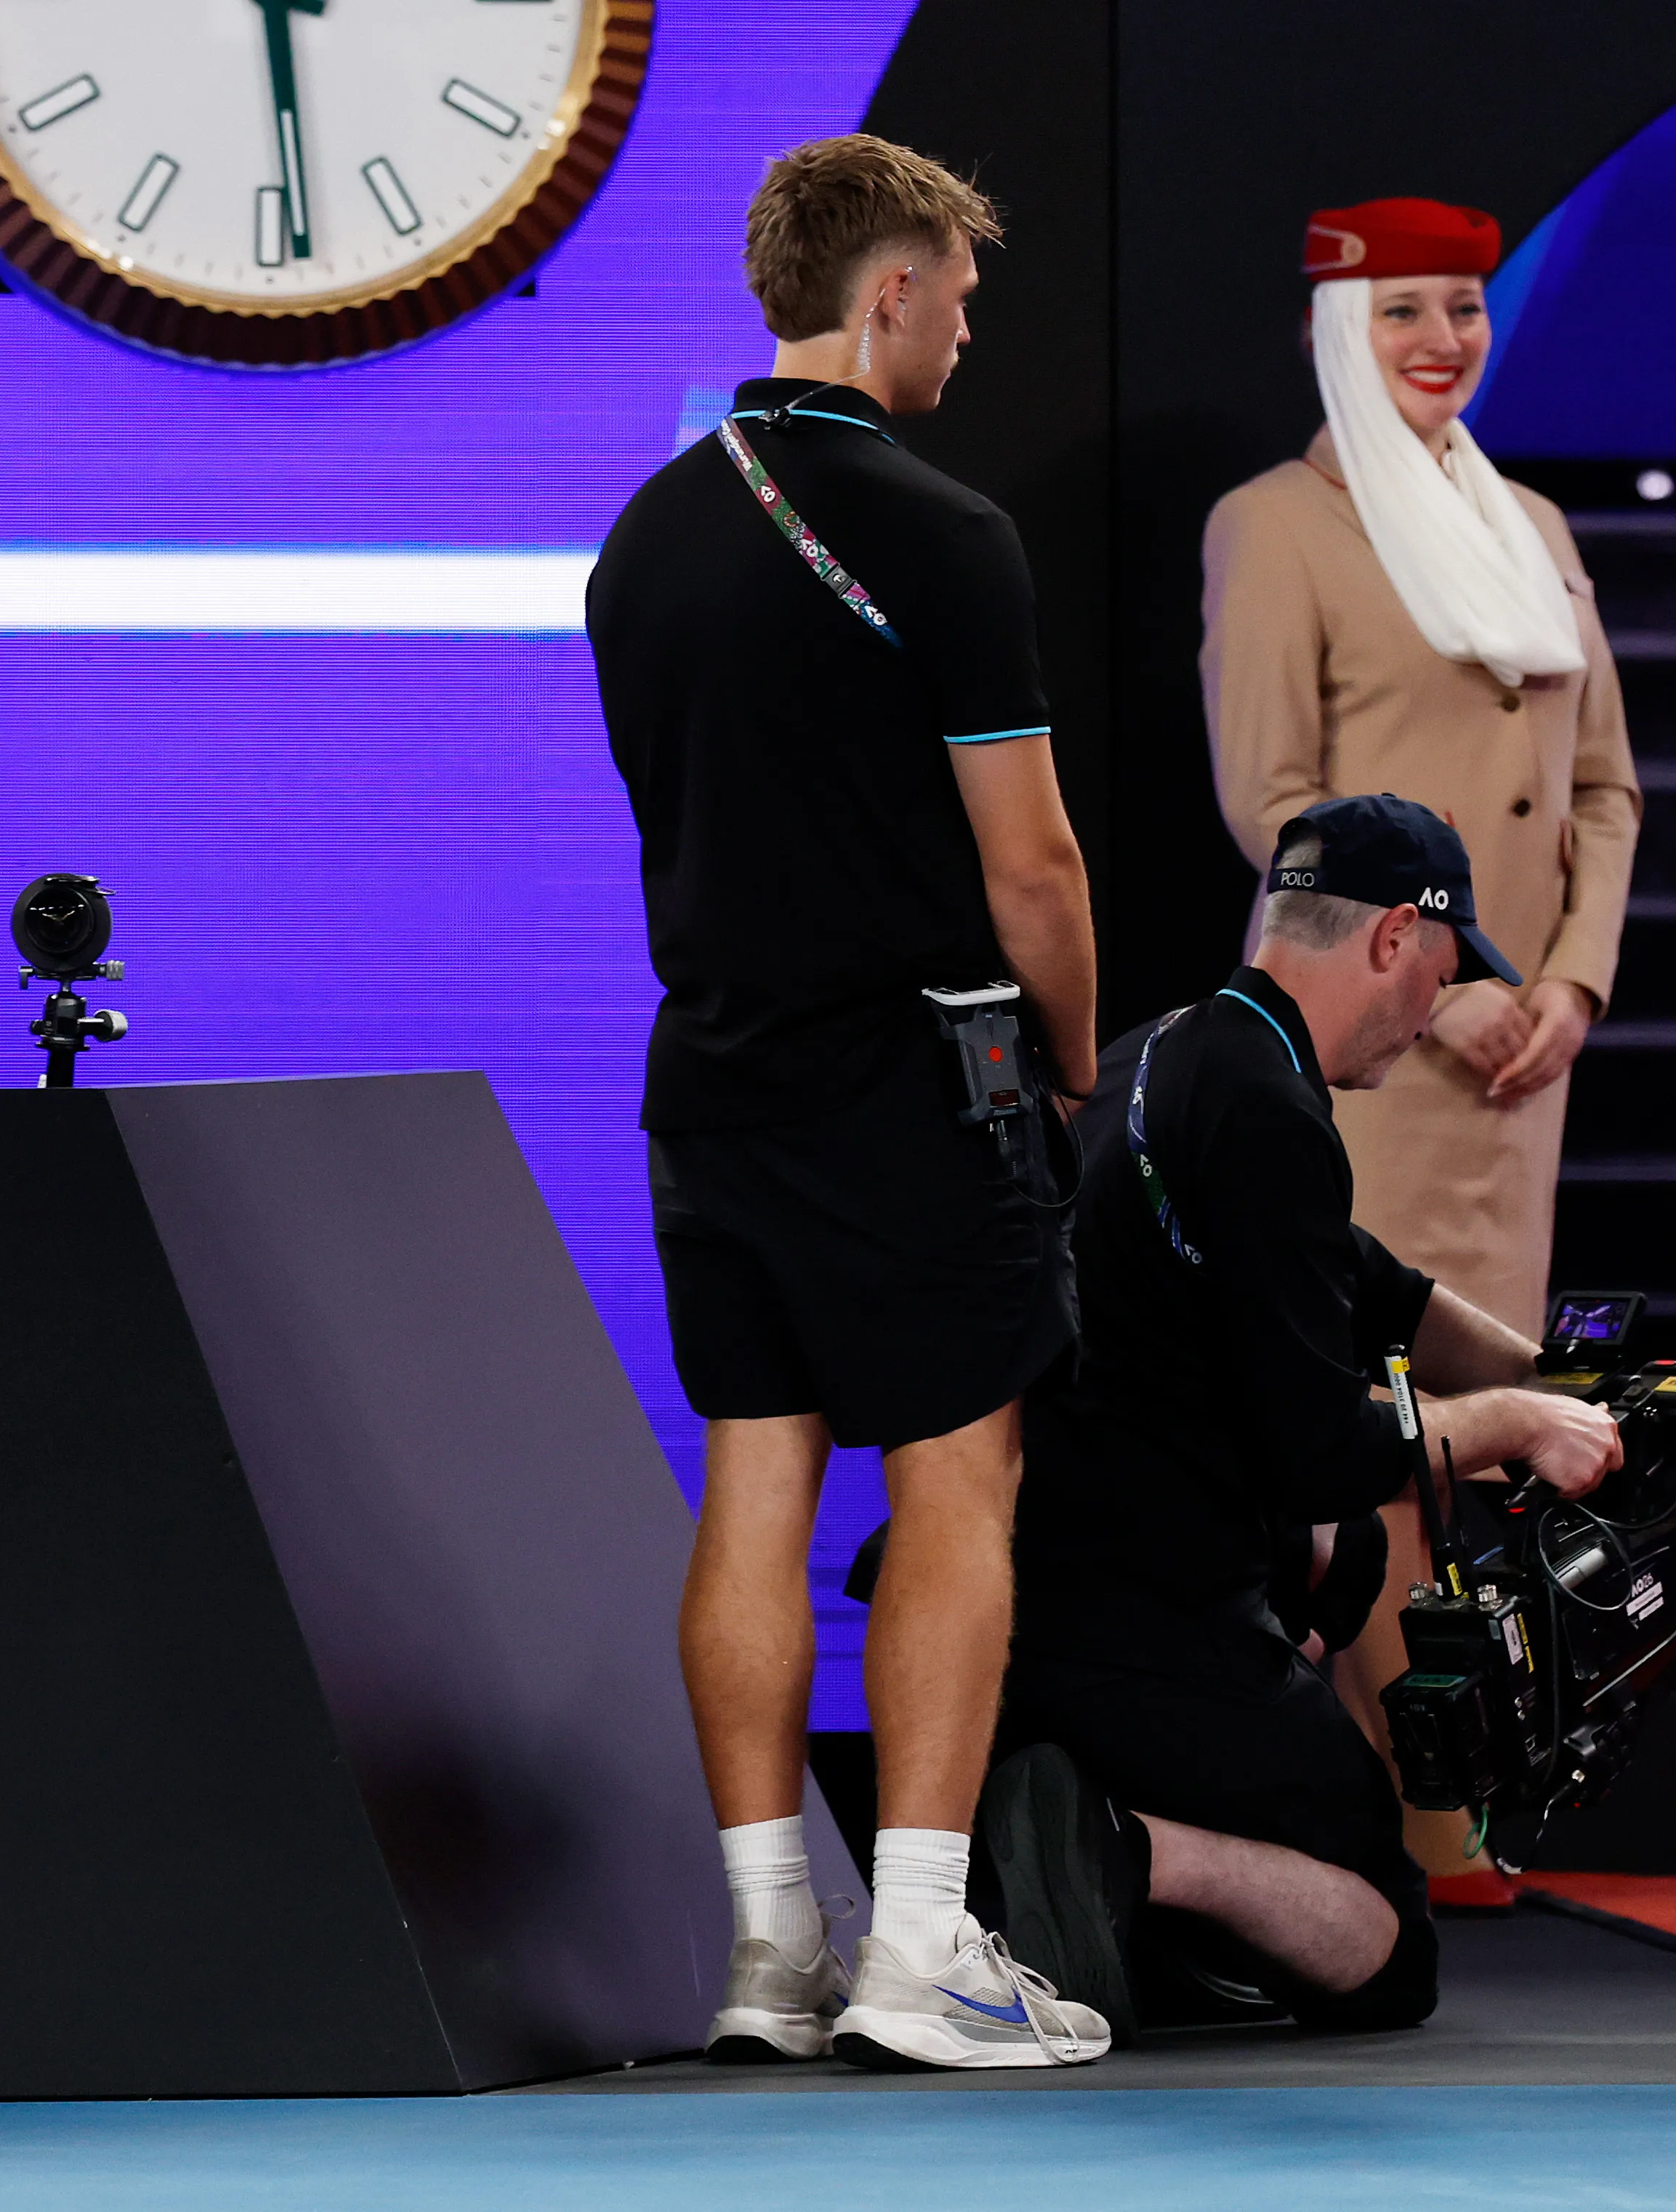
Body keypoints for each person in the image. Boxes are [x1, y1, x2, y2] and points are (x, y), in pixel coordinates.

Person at [587, 134, 1111, 2071]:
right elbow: (1034, 864)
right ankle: (919, 1948)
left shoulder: (640, 537)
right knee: (957, 1481)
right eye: (958, 301)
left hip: (712, 1073)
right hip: (913, 1073)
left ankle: (766, 1955)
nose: (967, 338)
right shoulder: (940, 532)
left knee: (751, 1474)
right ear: (884, 289)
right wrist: (1069, 1050)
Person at [980, 794, 1625, 2035]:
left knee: (1332, 1573)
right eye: (1442, 972)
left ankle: (1083, 1842)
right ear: (1393, 937)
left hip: (1044, 1593)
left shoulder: (1164, 1050)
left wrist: (1570, 1389)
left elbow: (1371, 1286)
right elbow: (1323, 1451)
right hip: (1146, 1619)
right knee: (1387, 1952)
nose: (1438, 1005)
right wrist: (1514, 1427)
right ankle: (1127, 1848)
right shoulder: (1271, 1111)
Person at [1200, 195, 1642, 1896]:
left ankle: (1439, 1777)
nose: (1443, 340)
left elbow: (1601, 788)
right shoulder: (1278, 525)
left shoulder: (1525, 519)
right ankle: (1409, 1803)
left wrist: (1573, 983)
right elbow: (1276, 799)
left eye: (1464, 307)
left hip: (1519, 1069)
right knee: (1368, 1437)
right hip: (1373, 1050)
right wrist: (1443, 974)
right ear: (1338, 330)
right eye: (1405, 314)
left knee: (1489, 1431)